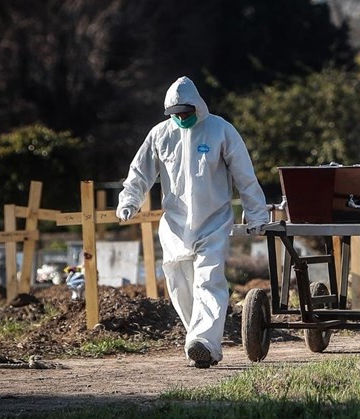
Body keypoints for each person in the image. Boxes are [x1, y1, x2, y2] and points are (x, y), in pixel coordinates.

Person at [117, 76, 268, 368]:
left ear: (197, 106)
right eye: (176, 114)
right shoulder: (160, 134)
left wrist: (257, 214)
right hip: (174, 225)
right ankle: (198, 341)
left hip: (213, 221)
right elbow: (140, 172)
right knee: (178, 283)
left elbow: (244, 176)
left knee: (208, 281)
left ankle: (205, 342)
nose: (182, 118)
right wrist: (129, 200)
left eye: (186, 112)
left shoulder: (220, 130)